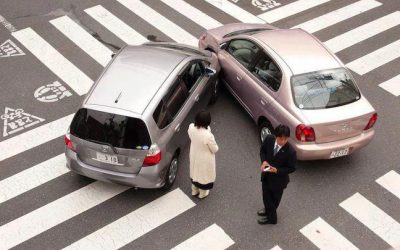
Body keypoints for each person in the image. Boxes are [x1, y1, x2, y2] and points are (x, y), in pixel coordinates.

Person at [258, 124, 296, 224]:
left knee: (273, 201)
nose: (283, 142)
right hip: (266, 175)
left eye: (286, 139)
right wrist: (264, 161)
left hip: (279, 181)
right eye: (281, 139)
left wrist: (277, 170)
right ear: (276, 136)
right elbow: (262, 151)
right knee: (265, 196)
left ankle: (272, 219)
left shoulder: (291, 152)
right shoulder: (269, 139)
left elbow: (292, 168)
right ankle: (267, 210)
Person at [188, 111, 219, 199]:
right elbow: (215, 149)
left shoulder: (191, 128)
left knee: (194, 172)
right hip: (204, 158)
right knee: (203, 176)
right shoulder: (208, 136)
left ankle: (194, 190)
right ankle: (202, 193)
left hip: (194, 153)